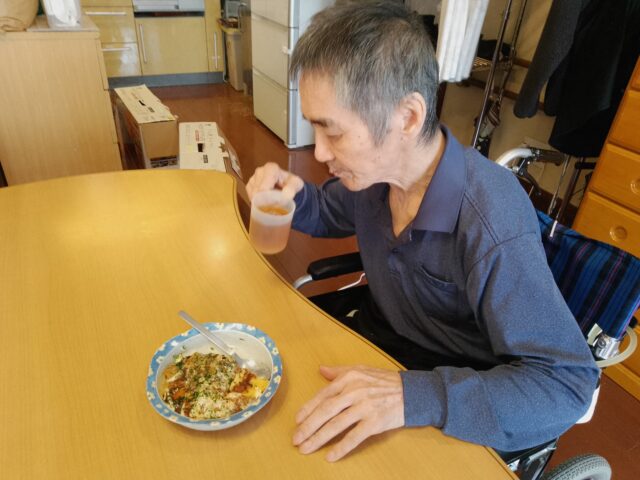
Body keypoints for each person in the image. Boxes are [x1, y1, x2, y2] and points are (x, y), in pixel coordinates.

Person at [246, 1, 599, 463]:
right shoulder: (373, 179)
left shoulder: (490, 219)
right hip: (381, 345)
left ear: (408, 117)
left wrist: (413, 396)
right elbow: (327, 211)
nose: (320, 153)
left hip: (458, 390)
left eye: (333, 132)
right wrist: (291, 198)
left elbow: (568, 384)